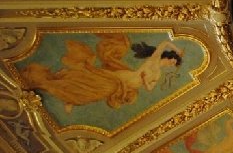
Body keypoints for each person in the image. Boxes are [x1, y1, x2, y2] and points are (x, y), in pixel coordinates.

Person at [20, 34, 183, 113]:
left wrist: (146, 81)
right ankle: (67, 90)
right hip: (122, 76)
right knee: (92, 80)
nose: (171, 64)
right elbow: (164, 42)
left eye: (173, 65)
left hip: (124, 86)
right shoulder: (154, 59)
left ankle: (72, 98)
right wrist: (177, 49)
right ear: (168, 57)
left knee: (97, 91)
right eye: (172, 61)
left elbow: (149, 88)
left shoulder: (158, 74)